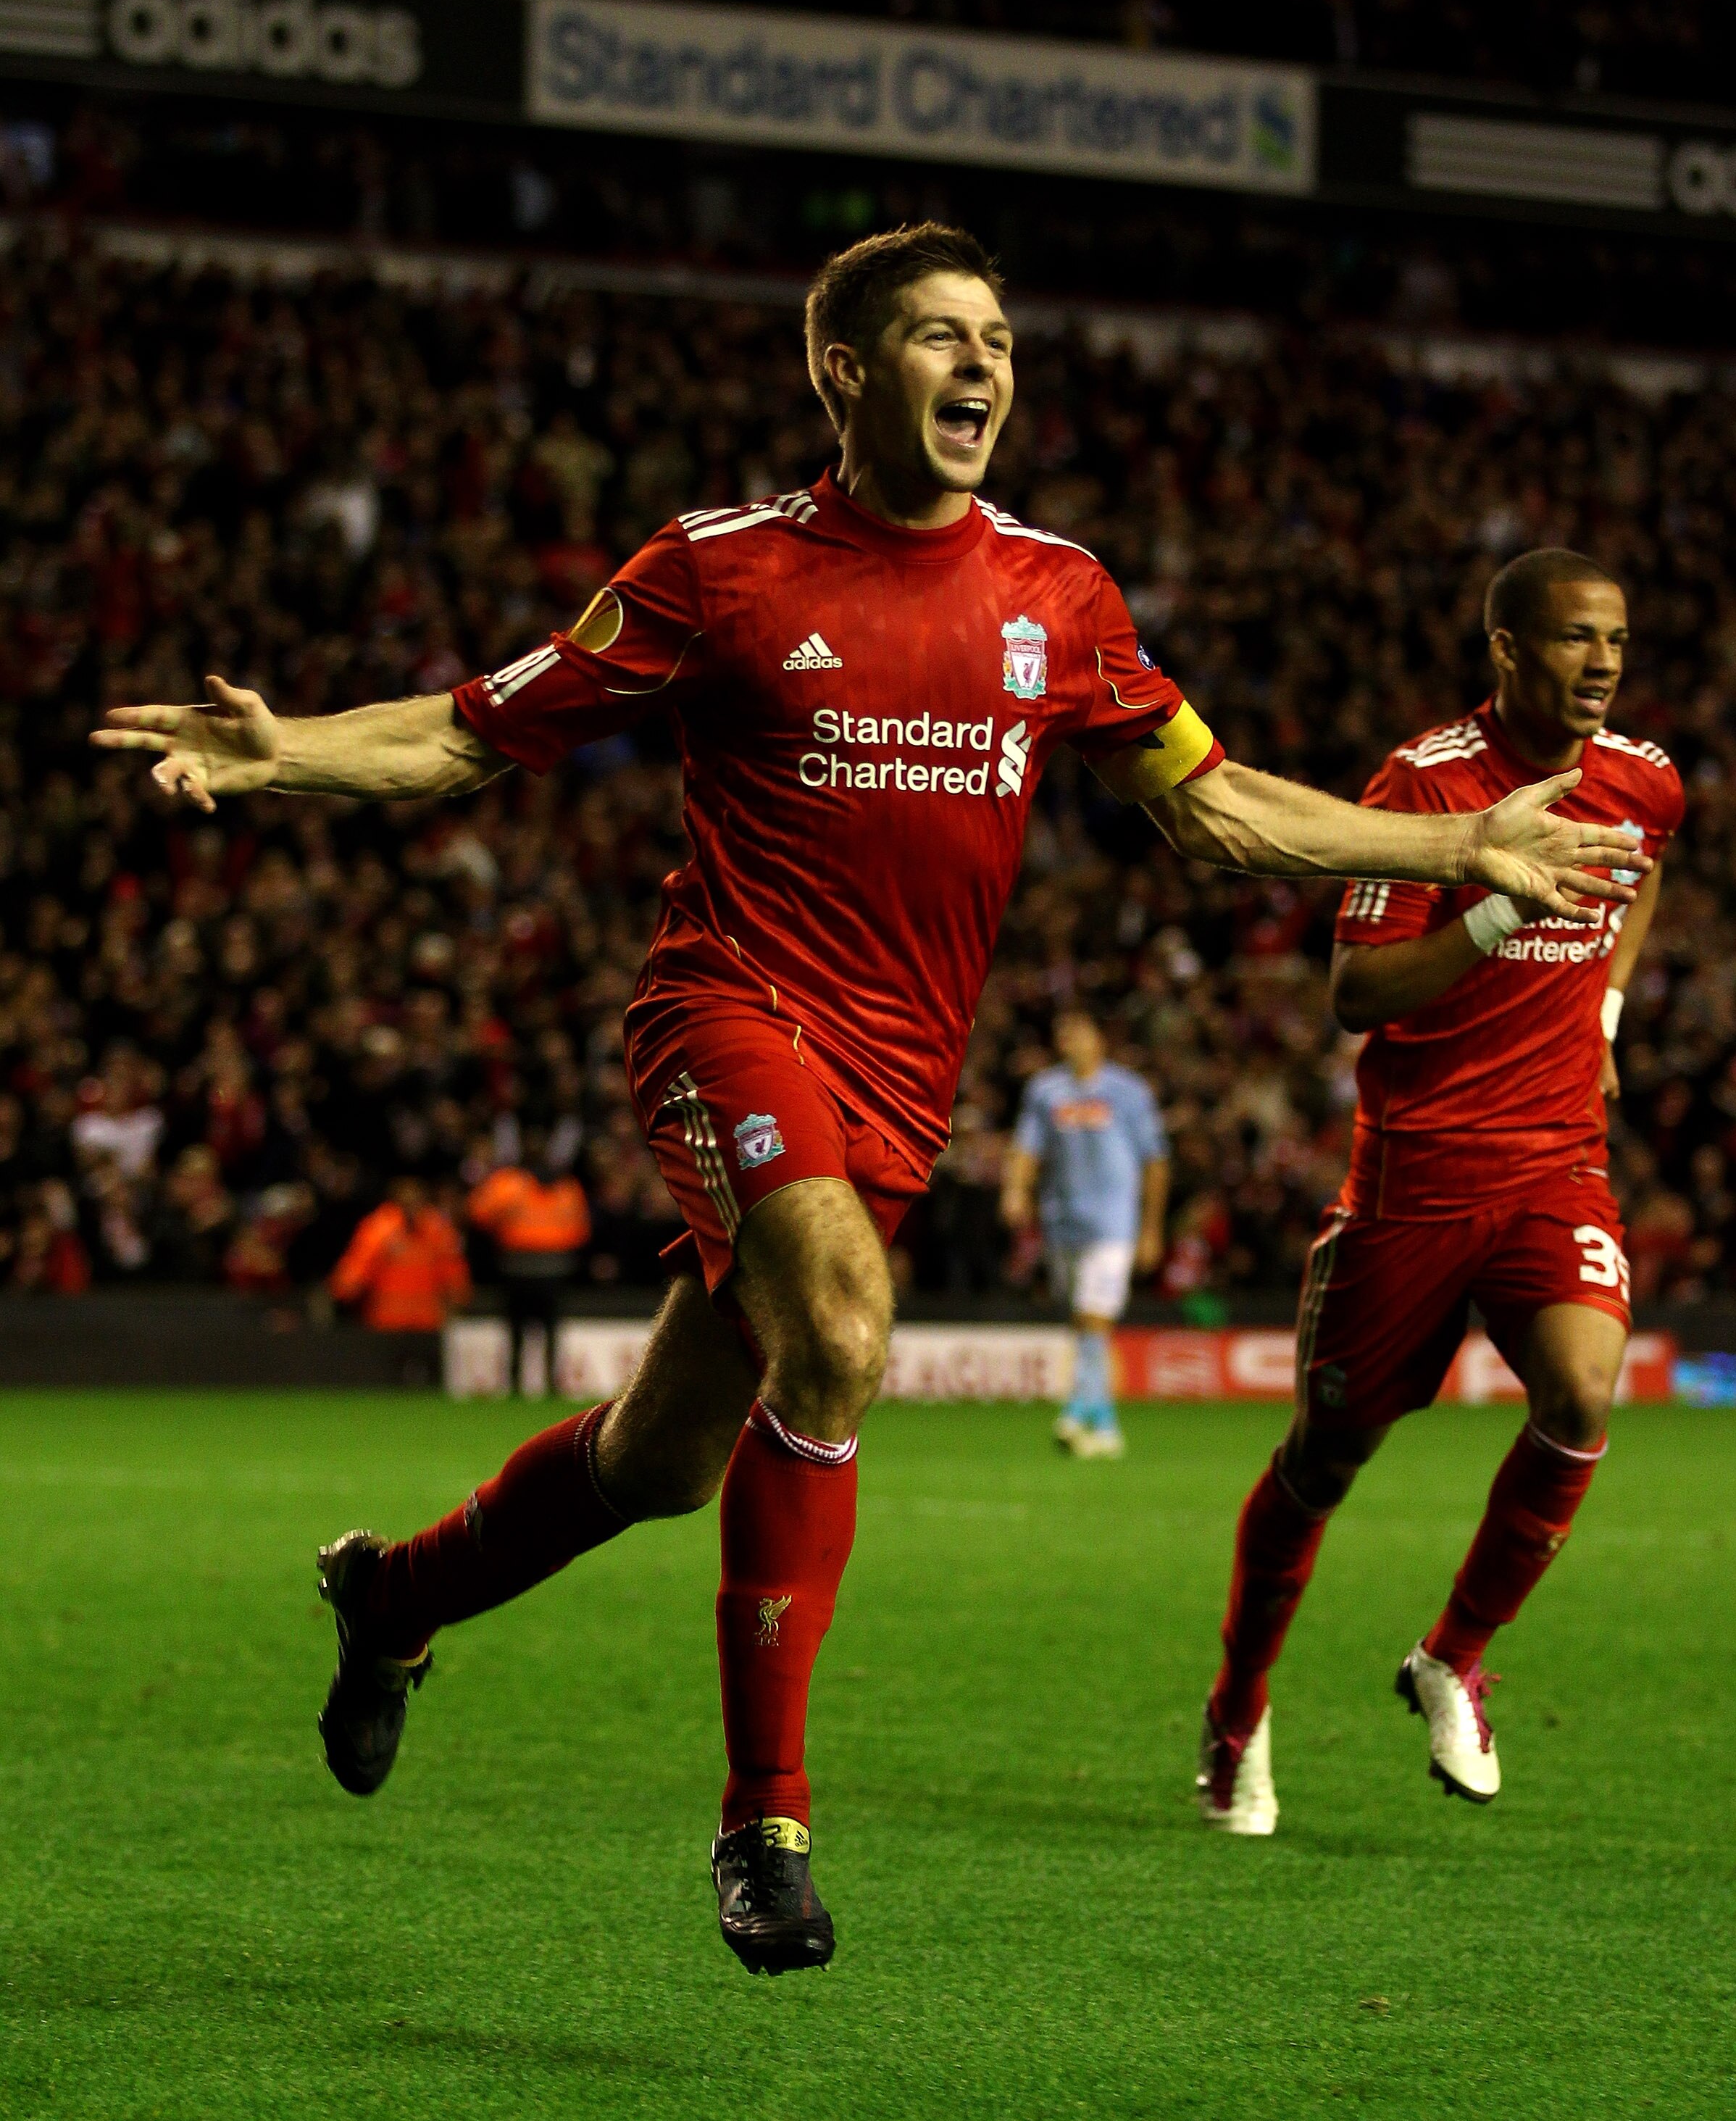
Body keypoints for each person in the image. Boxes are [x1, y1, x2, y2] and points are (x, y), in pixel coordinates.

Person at [92, 227, 1646, 1976]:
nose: (981, 365)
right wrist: (282, 745)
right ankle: (767, 1823)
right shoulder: (717, 569)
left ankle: (396, 1596)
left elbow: (1218, 810)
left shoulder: (1061, 596)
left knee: (664, 1457)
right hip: (725, 1017)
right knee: (838, 1327)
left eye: (996, 336)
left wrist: (1461, 842)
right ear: (843, 369)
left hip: (897, 1087)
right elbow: (470, 729)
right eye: (934, 336)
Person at [1198, 550, 1679, 1837]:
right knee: (1323, 1461)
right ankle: (1237, 1715)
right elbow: (1356, 994)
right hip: (1415, 1178)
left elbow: (1644, 869)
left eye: (1618, 640)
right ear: (1508, 649)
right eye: (1577, 639)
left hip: (1553, 1159)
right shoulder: (1424, 788)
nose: (1604, 663)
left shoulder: (1641, 780)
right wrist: (1488, 911)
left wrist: (1611, 1008)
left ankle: (1452, 1655)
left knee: (1583, 1393)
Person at [1003, 1009, 1167, 1458]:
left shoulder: (1128, 1092)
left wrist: (1152, 1228)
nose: (1068, 1041)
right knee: (1082, 1320)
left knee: (1095, 1315)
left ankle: (1076, 1411)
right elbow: (1026, 1148)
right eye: (1062, 1034)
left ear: (1098, 1039)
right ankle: (1106, 1427)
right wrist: (1016, 1191)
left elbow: (1155, 1161)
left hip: (1114, 1223)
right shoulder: (1045, 1092)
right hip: (1062, 1220)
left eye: (1077, 1032)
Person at [467, 1130, 592, 1393]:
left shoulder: (508, 1183)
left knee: (520, 1332)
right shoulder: (566, 1187)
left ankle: (518, 1385)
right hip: (549, 1268)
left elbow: (479, 1214)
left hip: (520, 1267)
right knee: (545, 1333)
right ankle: (544, 1385)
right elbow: (581, 1231)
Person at [330, 1178, 472, 1333]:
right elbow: (347, 1285)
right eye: (405, 1202)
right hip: (386, 1327)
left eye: (416, 1201)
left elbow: (457, 1283)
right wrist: (380, 1253)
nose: (411, 1207)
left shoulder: (438, 1230)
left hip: (428, 1326)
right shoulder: (378, 1229)